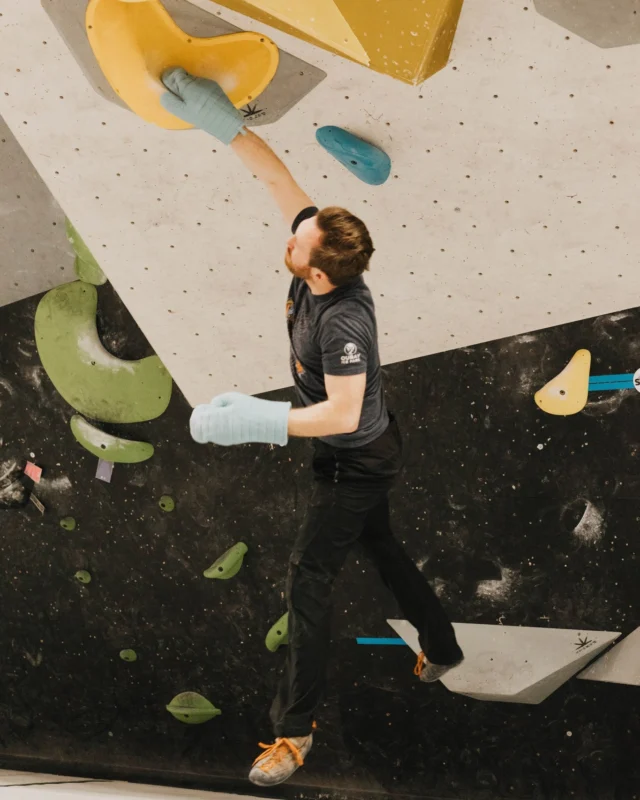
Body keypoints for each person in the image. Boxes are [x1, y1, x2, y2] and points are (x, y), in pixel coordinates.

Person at [160, 68, 464, 788]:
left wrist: (255, 422)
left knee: (308, 580)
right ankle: (444, 645)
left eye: (304, 241)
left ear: (319, 272)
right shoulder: (316, 250)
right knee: (381, 547)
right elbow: (277, 180)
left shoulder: (343, 320)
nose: (293, 236)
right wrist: (225, 124)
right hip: (364, 447)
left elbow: (342, 412)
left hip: (354, 457)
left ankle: (292, 734)